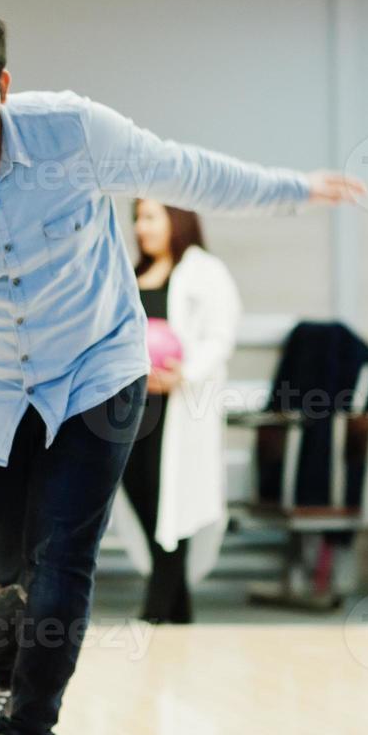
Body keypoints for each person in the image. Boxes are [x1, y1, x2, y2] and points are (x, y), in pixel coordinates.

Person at [0, 6, 364, 735]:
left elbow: (182, 171)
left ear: (3, 85)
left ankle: (30, 731)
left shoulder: (72, 132)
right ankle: (2, 680)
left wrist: (294, 189)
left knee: (63, 558)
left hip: (97, 373)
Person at [120, 203, 241, 624]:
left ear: (177, 218)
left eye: (151, 217)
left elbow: (220, 337)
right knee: (145, 500)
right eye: (138, 218)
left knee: (172, 504)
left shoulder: (204, 272)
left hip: (178, 408)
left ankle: (156, 612)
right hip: (132, 410)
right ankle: (179, 610)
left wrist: (183, 374)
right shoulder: (131, 275)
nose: (141, 227)